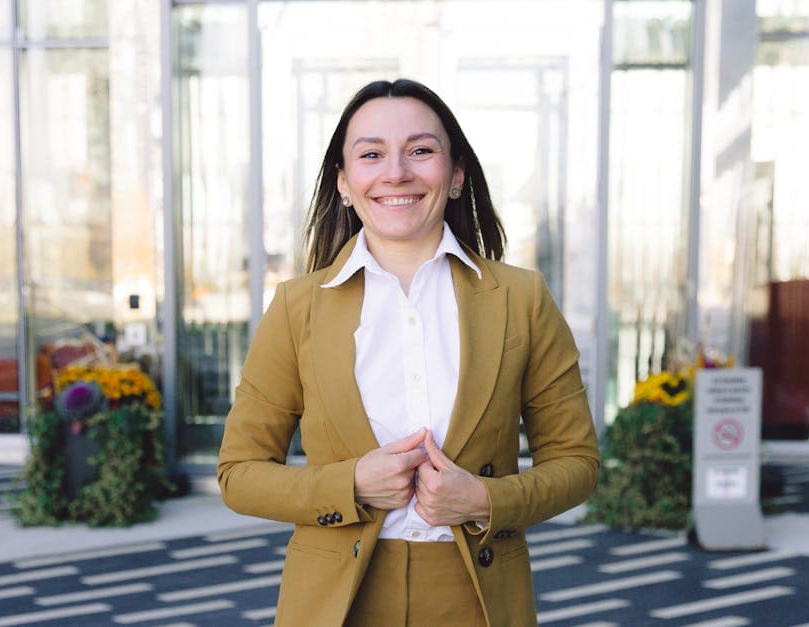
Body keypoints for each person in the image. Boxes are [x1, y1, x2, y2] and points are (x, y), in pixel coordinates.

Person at [218, 78, 599, 627]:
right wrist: (349, 484)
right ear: (345, 183)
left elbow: (577, 463)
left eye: (421, 150)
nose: (396, 172)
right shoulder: (296, 308)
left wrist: (484, 500)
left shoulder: (523, 299)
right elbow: (239, 472)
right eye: (371, 154)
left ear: (457, 175)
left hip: (478, 596)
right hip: (337, 601)